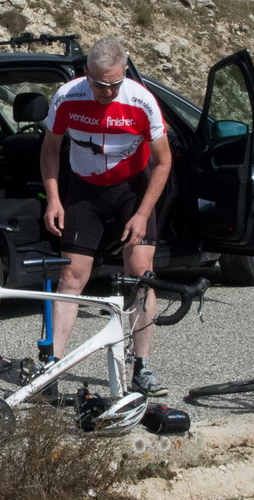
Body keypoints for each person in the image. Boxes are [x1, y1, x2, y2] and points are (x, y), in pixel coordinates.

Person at [39, 37, 174, 394]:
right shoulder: (67, 96)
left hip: (132, 188)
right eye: (100, 84)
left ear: (125, 71)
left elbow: (163, 162)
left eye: (115, 83)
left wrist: (142, 213)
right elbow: (50, 150)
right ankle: (52, 366)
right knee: (71, 276)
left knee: (141, 274)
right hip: (85, 188)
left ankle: (142, 366)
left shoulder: (141, 100)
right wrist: (54, 199)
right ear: (87, 73)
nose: (108, 92)